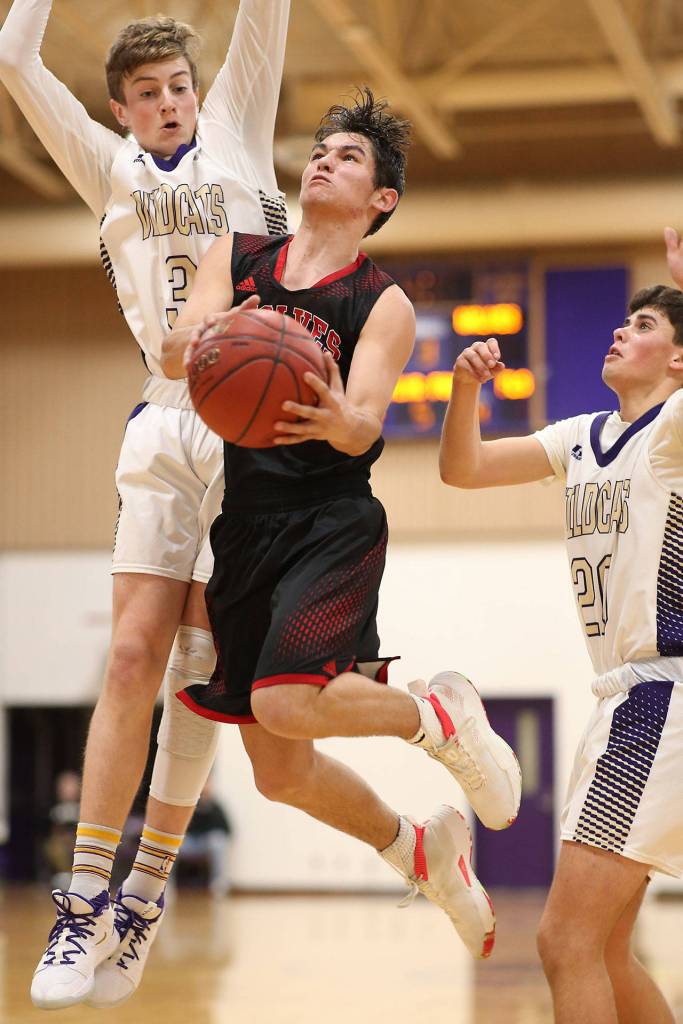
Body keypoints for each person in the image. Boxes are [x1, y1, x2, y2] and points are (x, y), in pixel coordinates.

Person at [161, 88, 521, 964]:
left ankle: (435, 713)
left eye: (348, 157)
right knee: (280, 773)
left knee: (283, 702)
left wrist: (324, 406)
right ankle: (418, 848)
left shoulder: (381, 302)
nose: (323, 160)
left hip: (330, 518)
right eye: (320, 150)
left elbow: (364, 425)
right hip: (245, 526)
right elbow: (178, 349)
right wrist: (226, 337)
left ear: (380, 201)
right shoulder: (240, 257)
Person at [0, 0, 290, 1010]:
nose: (168, 103)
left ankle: (145, 896)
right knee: (131, 655)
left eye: (179, 87)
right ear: (121, 110)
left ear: (198, 93)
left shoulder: (240, 132)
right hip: (162, 417)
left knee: (204, 668)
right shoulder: (104, 166)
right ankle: (82, 902)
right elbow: (13, 54)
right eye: (149, 94)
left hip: (250, 426)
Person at [438, 280, 683, 1024]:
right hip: (621, 699)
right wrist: (461, 389)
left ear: (677, 361)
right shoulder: (578, 436)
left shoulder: (671, 429)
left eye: (641, 326)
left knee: (562, 940)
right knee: (603, 949)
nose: (619, 331)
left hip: (659, 695)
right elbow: (463, 468)